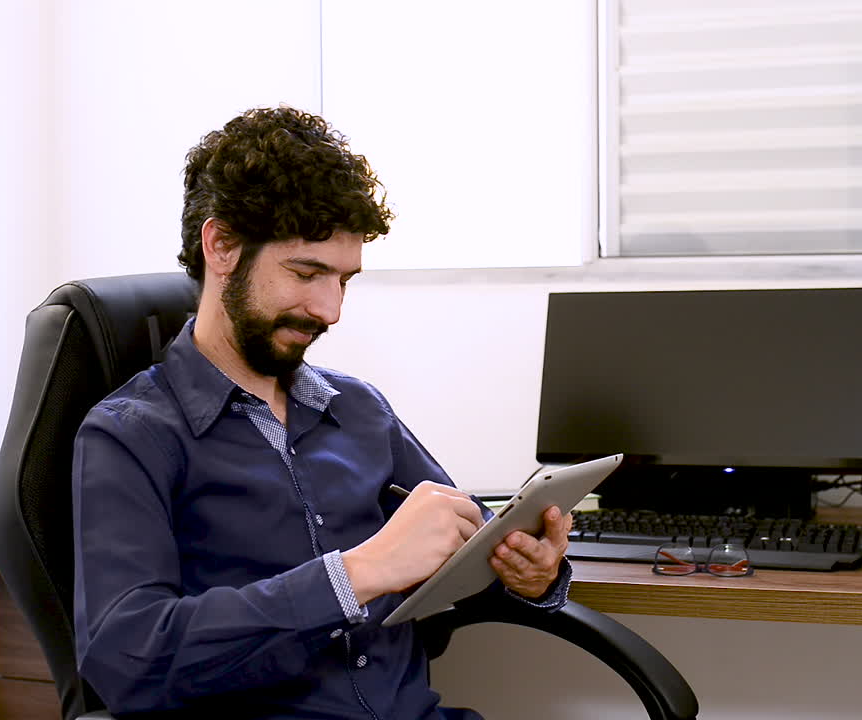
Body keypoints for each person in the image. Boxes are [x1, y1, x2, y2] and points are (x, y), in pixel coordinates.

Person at [71, 106, 573, 719]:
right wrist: (356, 573)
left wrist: (529, 573)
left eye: (344, 280)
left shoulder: (360, 409)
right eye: (307, 273)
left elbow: (461, 551)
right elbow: (128, 659)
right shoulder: (129, 435)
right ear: (221, 244)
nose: (330, 310)